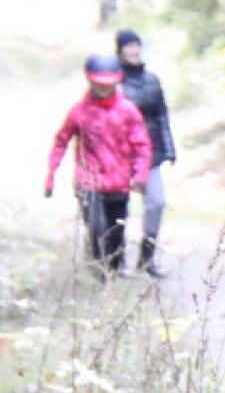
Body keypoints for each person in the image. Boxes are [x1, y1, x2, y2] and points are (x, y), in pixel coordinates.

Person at [46, 53, 152, 277]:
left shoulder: (128, 111)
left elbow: (142, 145)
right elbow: (61, 142)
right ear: (90, 81)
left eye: (108, 84)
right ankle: (100, 278)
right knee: (97, 230)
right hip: (88, 183)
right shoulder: (79, 112)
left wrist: (140, 176)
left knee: (116, 232)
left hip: (119, 184)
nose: (103, 88)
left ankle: (113, 273)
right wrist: (51, 176)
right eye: (99, 83)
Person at [114, 28, 176, 278]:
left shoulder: (152, 80)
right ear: (120, 51)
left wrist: (169, 148)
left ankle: (147, 257)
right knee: (119, 208)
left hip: (149, 153)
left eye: (136, 45)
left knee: (157, 202)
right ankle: (116, 260)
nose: (134, 51)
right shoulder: (113, 81)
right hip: (119, 155)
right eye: (128, 46)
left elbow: (162, 116)